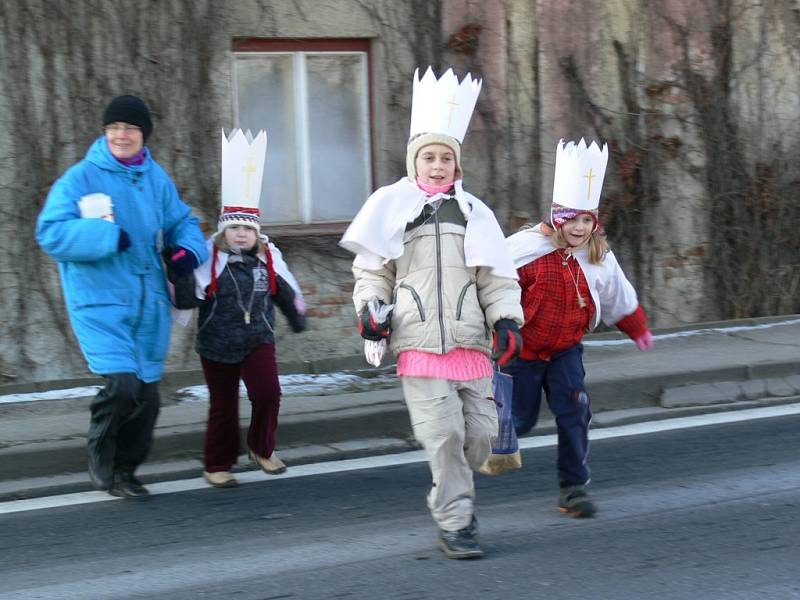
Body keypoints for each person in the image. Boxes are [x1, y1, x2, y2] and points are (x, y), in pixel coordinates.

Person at [340, 67, 523, 559]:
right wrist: (370, 313)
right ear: (414, 161)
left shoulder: (475, 213)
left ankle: (456, 492)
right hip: (418, 342)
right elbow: (373, 273)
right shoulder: (391, 208)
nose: (437, 165)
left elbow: (497, 277)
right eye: (429, 157)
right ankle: (456, 522)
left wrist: (506, 319)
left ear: (457, 165)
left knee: (481, 435)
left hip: (469, 342)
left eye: (446, 157)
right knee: (444, 435)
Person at [36, 95, 208, 499]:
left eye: (130, 128)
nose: (121, 135)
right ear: (105, 132)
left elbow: (183, 220)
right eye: (114, 128)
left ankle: (126, 472)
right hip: (99, 302)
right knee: (123, 386)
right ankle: (101, 454)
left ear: (143, 134)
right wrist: (106, 235)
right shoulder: (80, 178)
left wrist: (187, 251)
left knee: (147, 397)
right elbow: (51, 233)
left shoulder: (154, 178)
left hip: (148, 305)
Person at [505, 138, 655, 518]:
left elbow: (617, 291)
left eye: (587, 219)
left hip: (565, 351)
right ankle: (480, 440)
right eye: (572, 218)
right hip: (521, 352)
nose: (579, 227)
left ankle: (572, 487)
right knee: (518, 422)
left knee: (575, 412)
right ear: (557, 216)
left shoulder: (596, 257)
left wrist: (635, 326)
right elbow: (492, 284)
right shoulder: (524, 250)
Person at [168, 129, 306, 488]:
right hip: (216, 344)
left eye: (248, 228)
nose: (241, 234)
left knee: (268, 393)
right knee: (223, 405)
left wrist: (295, 314)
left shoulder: (268, 259)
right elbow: (189, 297)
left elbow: (283, 289)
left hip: (257, 338)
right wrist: (178, 271)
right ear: (223, 231)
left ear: (256, 231)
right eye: (235, 228)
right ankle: (217, 462)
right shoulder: (210, 260)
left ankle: (262, 447)